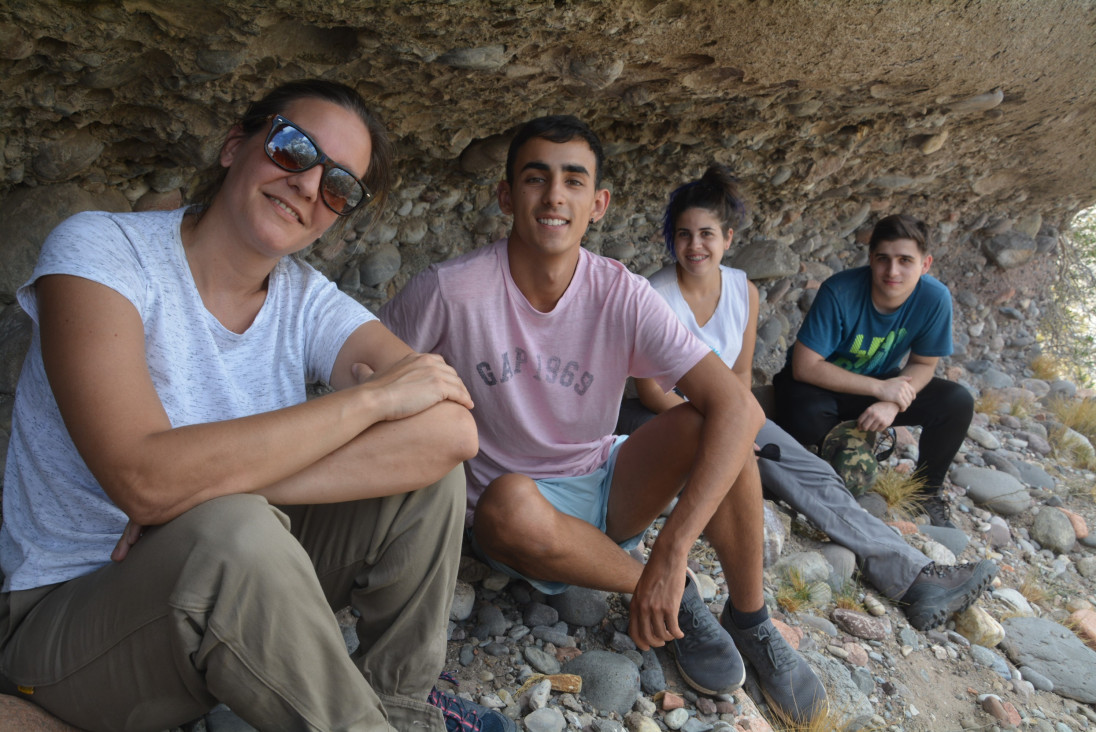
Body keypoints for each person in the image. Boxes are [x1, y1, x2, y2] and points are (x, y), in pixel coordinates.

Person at [0, 79, 511, 732]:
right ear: (234, 145)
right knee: (234, 532)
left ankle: (401, 713)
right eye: (293, 150)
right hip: (69, 620)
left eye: (339, 187)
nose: (307, 186)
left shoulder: (303, 298)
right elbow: (143, 478)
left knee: (426, 482)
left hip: (237, 578)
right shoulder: (103, 251)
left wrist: (203, 496)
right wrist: (375, 398)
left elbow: (451, 433)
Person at [382, 115, 827, 725]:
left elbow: (739, 404)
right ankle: (664, 591)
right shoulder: (451, 290)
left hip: (604, 479)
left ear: (598, 203)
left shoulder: (619, 291)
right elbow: (367, 379)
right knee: (509, 501)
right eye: (535, 178)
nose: (554, 196)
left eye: (573, 180)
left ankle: (748, 617)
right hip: (513, 514)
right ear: (507, 196)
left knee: (718, 429)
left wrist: (674, 547)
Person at [621, 165, 996, 633]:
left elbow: (738, 375)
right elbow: (653, 391)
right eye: (683, 234)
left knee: (812, 471)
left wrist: (735, 423)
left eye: (707, 234)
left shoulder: (744, 291)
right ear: (671, 239)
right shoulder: (653, 294)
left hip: (724, 411)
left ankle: (914, 578)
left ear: (728, 237)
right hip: (664, 416)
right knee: (753, 461)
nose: (695, 245)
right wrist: (726, 431)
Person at [772, 213, 975, 529]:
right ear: (870, 260)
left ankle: (927, 493)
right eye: (883, 259)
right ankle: (830, 458)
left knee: (956, 401)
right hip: (817, 386)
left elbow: (923, 363)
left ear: (925, 264)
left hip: (879, 384)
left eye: (905, 260)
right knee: (804, 416)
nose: (892, 271)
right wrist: (880, 391)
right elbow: (804, 366)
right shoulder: (840, 291)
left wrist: (893, 401)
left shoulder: (934, 298)